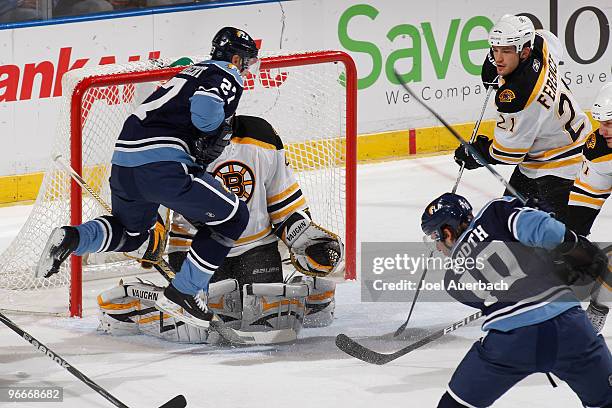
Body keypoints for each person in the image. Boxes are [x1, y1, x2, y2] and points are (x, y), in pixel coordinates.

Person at [36, 27, 260, 329]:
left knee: (132, 233)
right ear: (236, 57)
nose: (247, 68)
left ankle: (72, 238)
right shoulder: (225, 74)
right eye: (247, 61)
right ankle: (184, 292)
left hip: (125, 163)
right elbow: (205, 115)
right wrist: (216, 129)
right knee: (234, 217)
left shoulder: (188, 73)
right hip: (163, 165)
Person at [95, 115, 343, 343]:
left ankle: (305, 294)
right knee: (196, 330)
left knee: (274, 319)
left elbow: (283, 203)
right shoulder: (165, 144)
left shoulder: (262, 135)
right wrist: (146, 234)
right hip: (196, 253)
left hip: (257, 249)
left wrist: (303, 237)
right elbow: (149, 208)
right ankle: (138, 305)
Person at [421, 192, 611, 408]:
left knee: (455, 405)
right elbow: (547, 232)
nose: (437, 248)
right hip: (570, 328)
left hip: (509, 344)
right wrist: (575, 244)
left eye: (435, 238)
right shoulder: (495, 212)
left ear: (447, 232)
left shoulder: (452, 280)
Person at [454, 14, 591, 223]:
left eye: (506, 51)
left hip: (562, 168)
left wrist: (477, 154)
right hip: (549, 151)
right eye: (495, 49)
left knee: (553, 242)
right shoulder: (539, 44)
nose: (498, 58)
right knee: (507, 222)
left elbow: (508, 153)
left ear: (524, 52)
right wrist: (501, 62)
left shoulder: (519, 97)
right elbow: (551, 41)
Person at [566, 82, 612, 332]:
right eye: (601, 123)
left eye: (611, 124)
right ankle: (598, 305)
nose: (604, 132)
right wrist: (571, 246)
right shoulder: (599, 151)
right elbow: (582, 206)